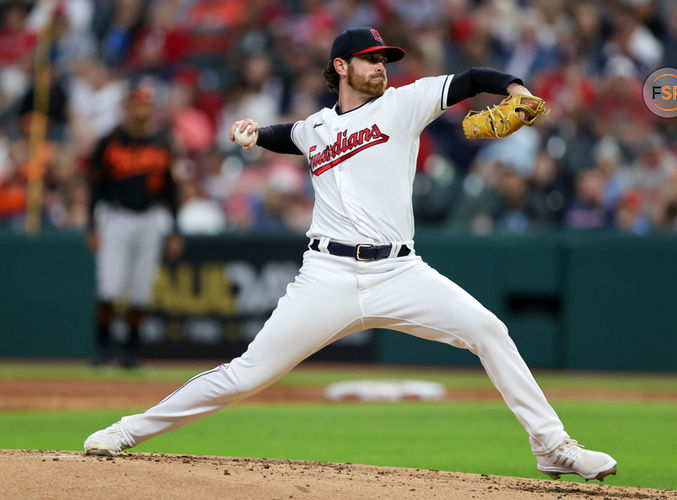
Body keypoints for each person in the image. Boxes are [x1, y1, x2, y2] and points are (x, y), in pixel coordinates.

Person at [84, 27, 617, 482]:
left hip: (400, 270)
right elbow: (285, 136)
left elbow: (475, 78)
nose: (381, 66)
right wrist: (252, 135)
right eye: (370, 59)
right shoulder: (316, 127)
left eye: (385, 59)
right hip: (327, 276)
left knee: (489, 331)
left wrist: (517, 90)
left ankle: (553, 447)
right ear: (341, 65)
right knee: (246, 375)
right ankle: (126, 430)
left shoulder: (405, 104)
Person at [87, 82, 183, 368]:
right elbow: (95, 187)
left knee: (141, 288)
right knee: (109, 285)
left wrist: (176, 229)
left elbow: (171, 190)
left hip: (151, 218)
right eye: (137, 103)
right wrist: (91, 226)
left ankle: (130, 352)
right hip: (115, 217)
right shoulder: (110, 141)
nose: (142, 108)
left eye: (146, 103)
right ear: (127, 106)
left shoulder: (162, 143)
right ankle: (103, 350)